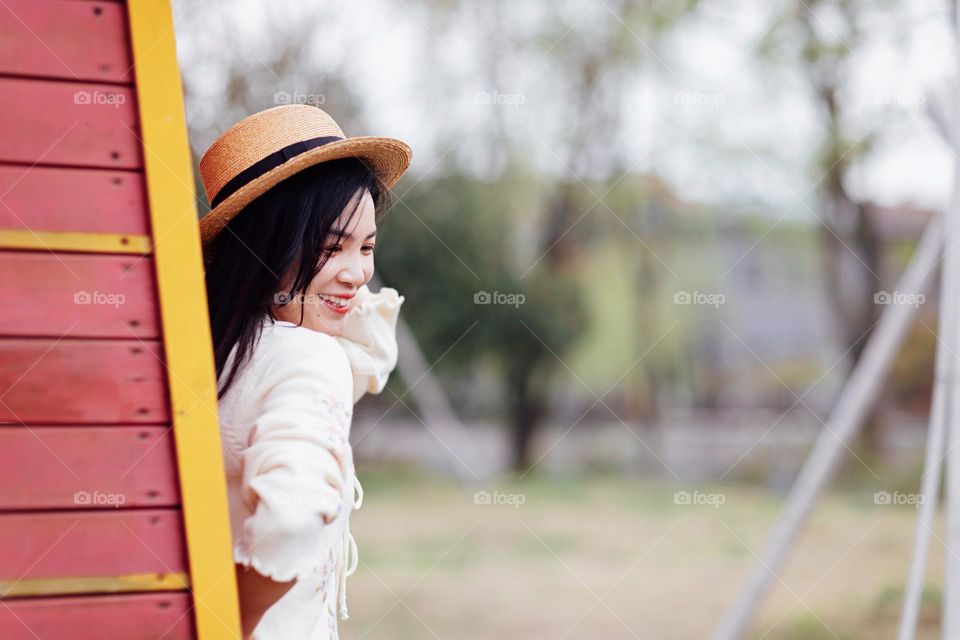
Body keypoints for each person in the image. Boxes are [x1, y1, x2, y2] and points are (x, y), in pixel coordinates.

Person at [198, 104, 411, 639]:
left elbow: (369, 351)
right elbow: (292, 518)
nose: (358, 274)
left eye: (367, 247)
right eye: (330, 247)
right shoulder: (310, 357)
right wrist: (230, 625)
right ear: (269, 247)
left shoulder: (214, 351)